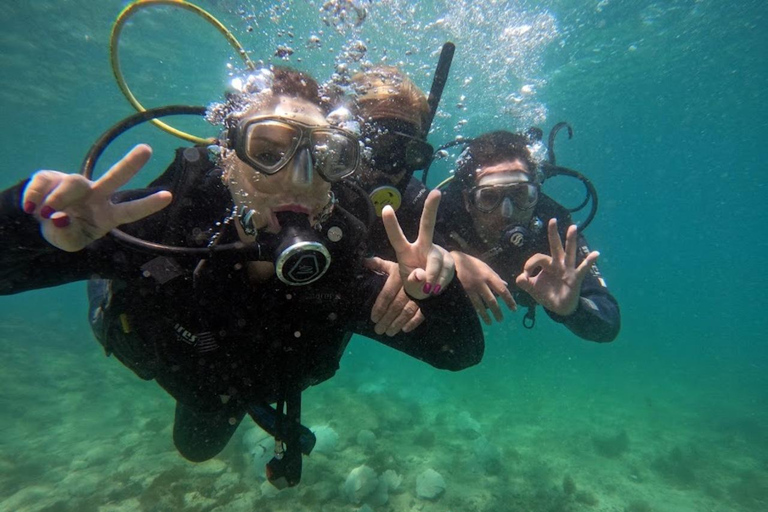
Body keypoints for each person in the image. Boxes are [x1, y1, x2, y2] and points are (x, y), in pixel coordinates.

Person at [0, 67, 483, 487]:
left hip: (238, 388)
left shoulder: (341, 265)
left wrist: (436, 291)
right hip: (180, 369)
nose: (297, 176)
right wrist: (38, 228)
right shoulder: (164, 226)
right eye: (267, 149)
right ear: (226, 156)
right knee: (195, 442)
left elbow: (459, 352)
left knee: (197, 447)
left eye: (323, 154)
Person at [437, 130, 620, 342]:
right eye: (488, 197)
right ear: (468, 202)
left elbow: (609, 323)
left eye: (520, 194)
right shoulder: (443, 215)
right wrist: (443, 255)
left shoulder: (553, 227)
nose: (506, 212)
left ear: (536, 194)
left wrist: (573, 309)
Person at [347, 65, 438, 336]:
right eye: (378, 147)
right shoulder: (307, 189)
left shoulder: (416, 207)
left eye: (405, 151)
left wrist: (448, 272)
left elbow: (461, 352)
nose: (389, 167)